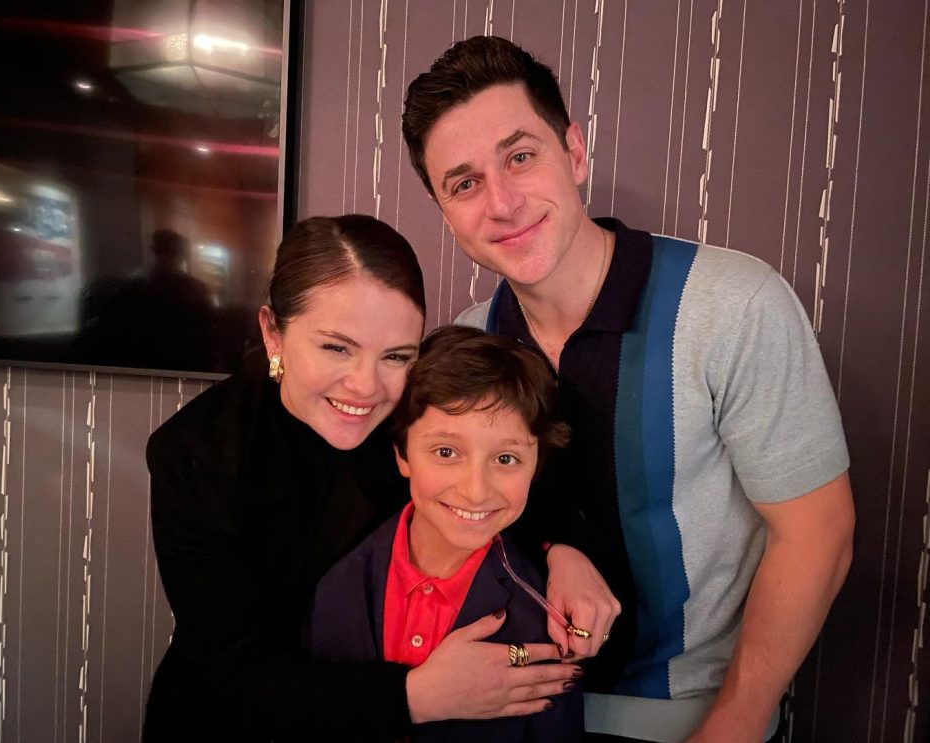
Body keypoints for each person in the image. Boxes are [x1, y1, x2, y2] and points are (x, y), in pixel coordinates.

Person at [402, 36, 855, 743]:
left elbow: (818, 533)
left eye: (520, 157)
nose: (502, 203)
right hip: (509, 712)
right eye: (463, 184)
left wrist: (732, 725)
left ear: (574, 152)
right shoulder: (466, 341)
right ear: (444, 210)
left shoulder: (732, 304)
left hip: (689, 715)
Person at [144, 214, 588, 742]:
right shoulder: (194, 453)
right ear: (273, 333)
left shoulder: (412, 412)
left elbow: (503, 464)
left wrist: (565, 549)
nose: (365, 387)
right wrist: (415, 697)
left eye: (395, 356)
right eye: (337, 347)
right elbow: (235, 679)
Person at [307, 325, 584, 741]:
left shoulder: (549, 619)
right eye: (446, 452)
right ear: (402, 455)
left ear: (536, 466)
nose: (476, 490)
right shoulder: (333, 576)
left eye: (505, 458)